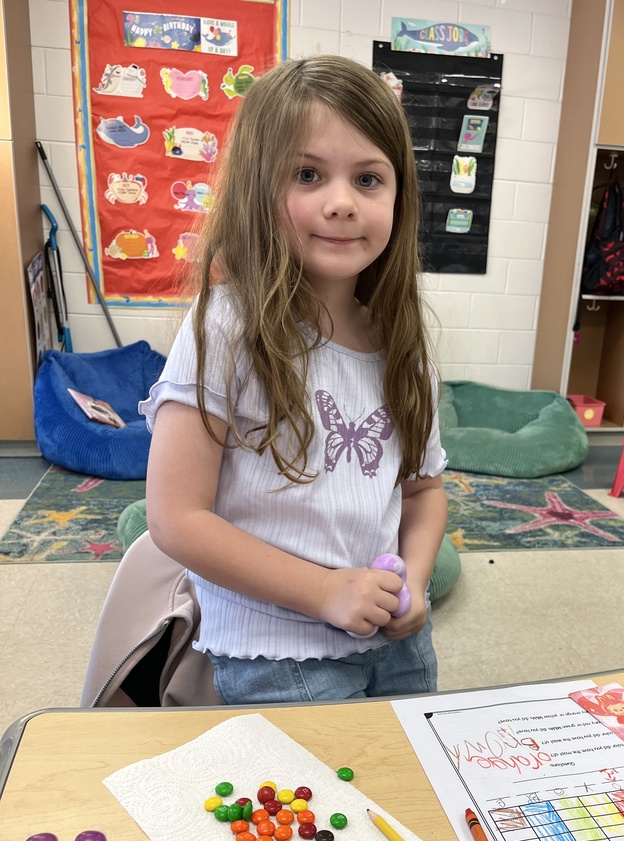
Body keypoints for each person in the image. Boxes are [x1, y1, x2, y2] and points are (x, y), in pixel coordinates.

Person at [140, 54, 448, 706]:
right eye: (308, 175)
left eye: (368, 179)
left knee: (407, 791)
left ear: (398, 197)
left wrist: (415, 583)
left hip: (397, 645)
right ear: (258, 188)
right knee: (319, 806)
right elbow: (175, 517)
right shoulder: (225, 327)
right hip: (278, 652)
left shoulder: (403, 344)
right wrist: (325, 591)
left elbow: (423, 492)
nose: (341, 203)